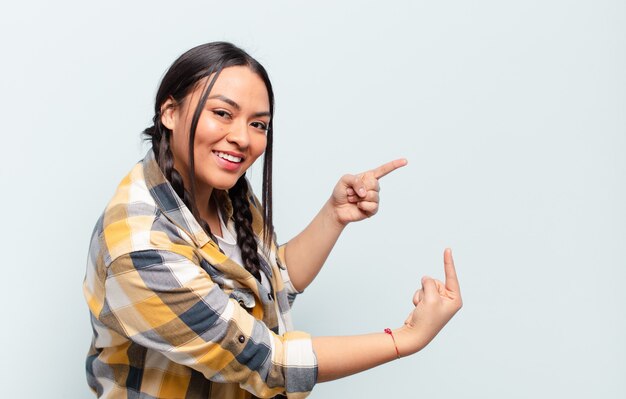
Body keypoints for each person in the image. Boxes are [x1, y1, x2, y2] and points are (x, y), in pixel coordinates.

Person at [83, 41, 462, 399]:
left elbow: (269, 282)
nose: (242, 138)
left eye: (258, 124)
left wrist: (334, 215)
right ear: (170, 112)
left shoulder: (225, 191)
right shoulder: (140, 246)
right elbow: (268, 362)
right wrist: (405, 338)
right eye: (222, 114)